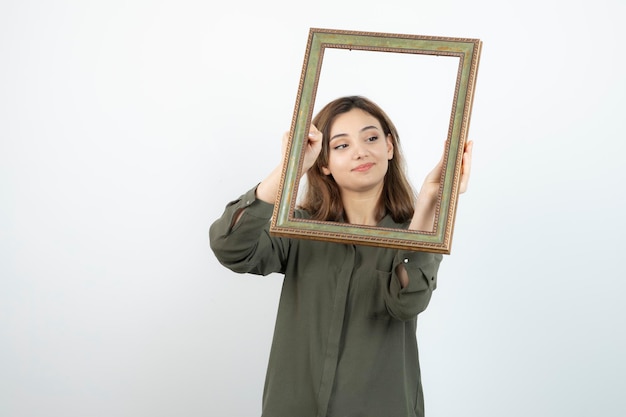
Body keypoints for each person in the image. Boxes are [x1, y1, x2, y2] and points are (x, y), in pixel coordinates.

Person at [209, 96, 473, 417]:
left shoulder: (414, 231)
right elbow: (230, 246)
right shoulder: (299, 227)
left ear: (389, 147)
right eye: (341, 146)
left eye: (371, 138)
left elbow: (408, 302)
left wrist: (432, 199)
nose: (360, 151)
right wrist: (290, 167)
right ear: (323, 163)